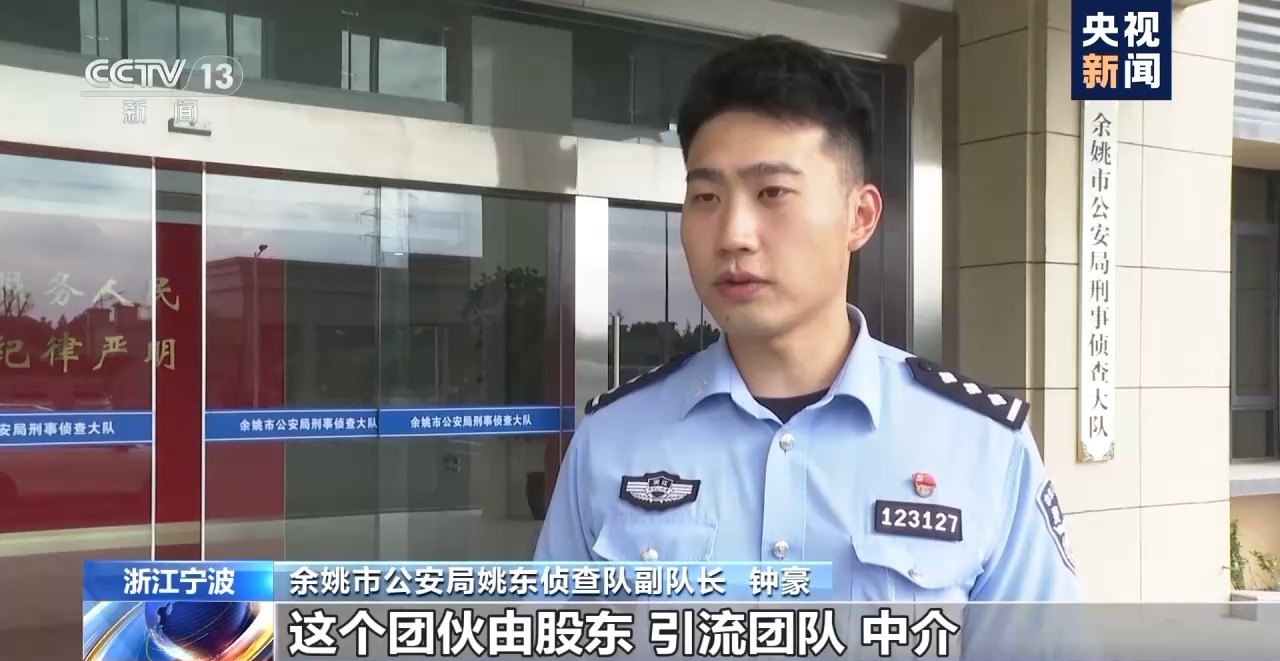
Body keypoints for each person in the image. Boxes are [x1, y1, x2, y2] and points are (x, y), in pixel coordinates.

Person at [534, 34, 1082, 608]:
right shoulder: (612, 441)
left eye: (772, 192)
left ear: (860, 216)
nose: (734, 235)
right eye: (706, 198)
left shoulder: (981, 446)